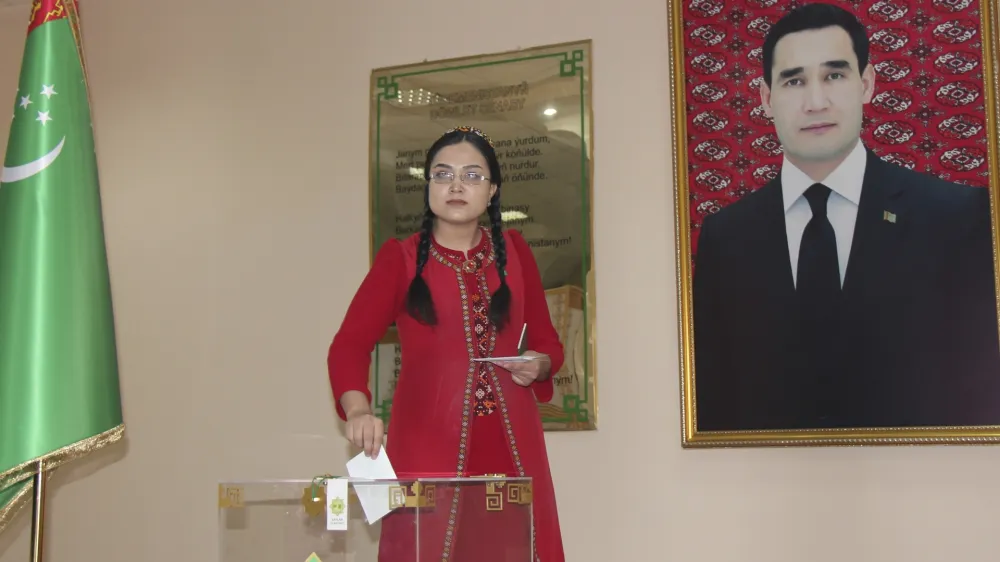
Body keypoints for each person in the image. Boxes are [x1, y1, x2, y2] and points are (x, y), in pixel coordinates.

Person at [693, 2, 1000, 431]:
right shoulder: (725, 236)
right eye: (794, 81)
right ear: (766, 98)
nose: (816, 102)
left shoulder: (956, 216)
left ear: (866, 83)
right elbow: (713, 396)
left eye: (834, 75)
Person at [326, 126, 566, 561]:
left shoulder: (514, 252)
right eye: (442, 174)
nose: (456, 186)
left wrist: (540, 363)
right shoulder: (400, 259)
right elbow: (348, 345)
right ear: (429, 186)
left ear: (492, 191)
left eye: (472, 176)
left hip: (511, 446)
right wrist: (358, 410)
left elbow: (548, 343)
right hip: (426, 444)